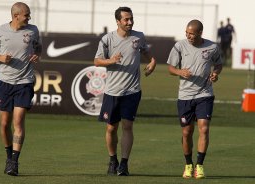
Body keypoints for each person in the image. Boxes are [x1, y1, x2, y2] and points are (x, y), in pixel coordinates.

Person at [94, 6, 156, 176]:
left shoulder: (139, 37)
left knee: (127, 126)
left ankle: (124, 164)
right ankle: (112, 159)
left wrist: (152, 62)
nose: (130, 22)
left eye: (131, 19)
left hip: (132, 90)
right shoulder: (107, 39)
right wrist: (111, 60)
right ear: (118, 21)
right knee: (111, 129)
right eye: (126, 19)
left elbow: (146, 53)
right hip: (112, 91)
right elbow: (97, 61)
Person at [0, 2, 42, 176]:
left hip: (25, 82)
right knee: (4, 124)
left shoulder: (33, 30)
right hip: (4, 82)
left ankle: (14, 162)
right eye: (26, 15)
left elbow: (38, 47)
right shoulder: (0, 31)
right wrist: (0, 57)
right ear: (16, 16)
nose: (29, 18)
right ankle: (9, 156)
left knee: (18, 121)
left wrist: (38, 55)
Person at [167, 19, 222, 179]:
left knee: (204, 128)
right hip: (185, 96)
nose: (188, 36)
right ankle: (188, 165)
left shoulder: (212, 47)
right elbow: (170, 67)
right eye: (187, 33)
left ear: (199, 33)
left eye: (191, 33)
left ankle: (199, 166)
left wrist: (216, 73)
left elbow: (218, 64)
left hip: (205, 94)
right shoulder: (179, 46)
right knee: (187, 132)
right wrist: (179, 72)